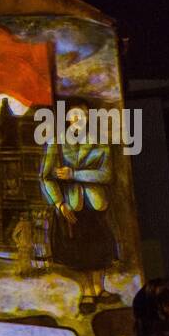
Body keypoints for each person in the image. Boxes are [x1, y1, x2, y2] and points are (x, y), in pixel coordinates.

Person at [40, 102, 119, 314]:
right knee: (80, 249)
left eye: (82, 116)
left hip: (96, 203)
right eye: (74, 116)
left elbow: (106, 175)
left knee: (101, 246)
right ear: (67, 119)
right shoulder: (56, 143)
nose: (77, 120)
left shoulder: (100, 142)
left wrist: (74, 174)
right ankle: (87, 292)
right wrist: (59, 203)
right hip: (71, 204)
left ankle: (99, 288)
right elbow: (46, 177)